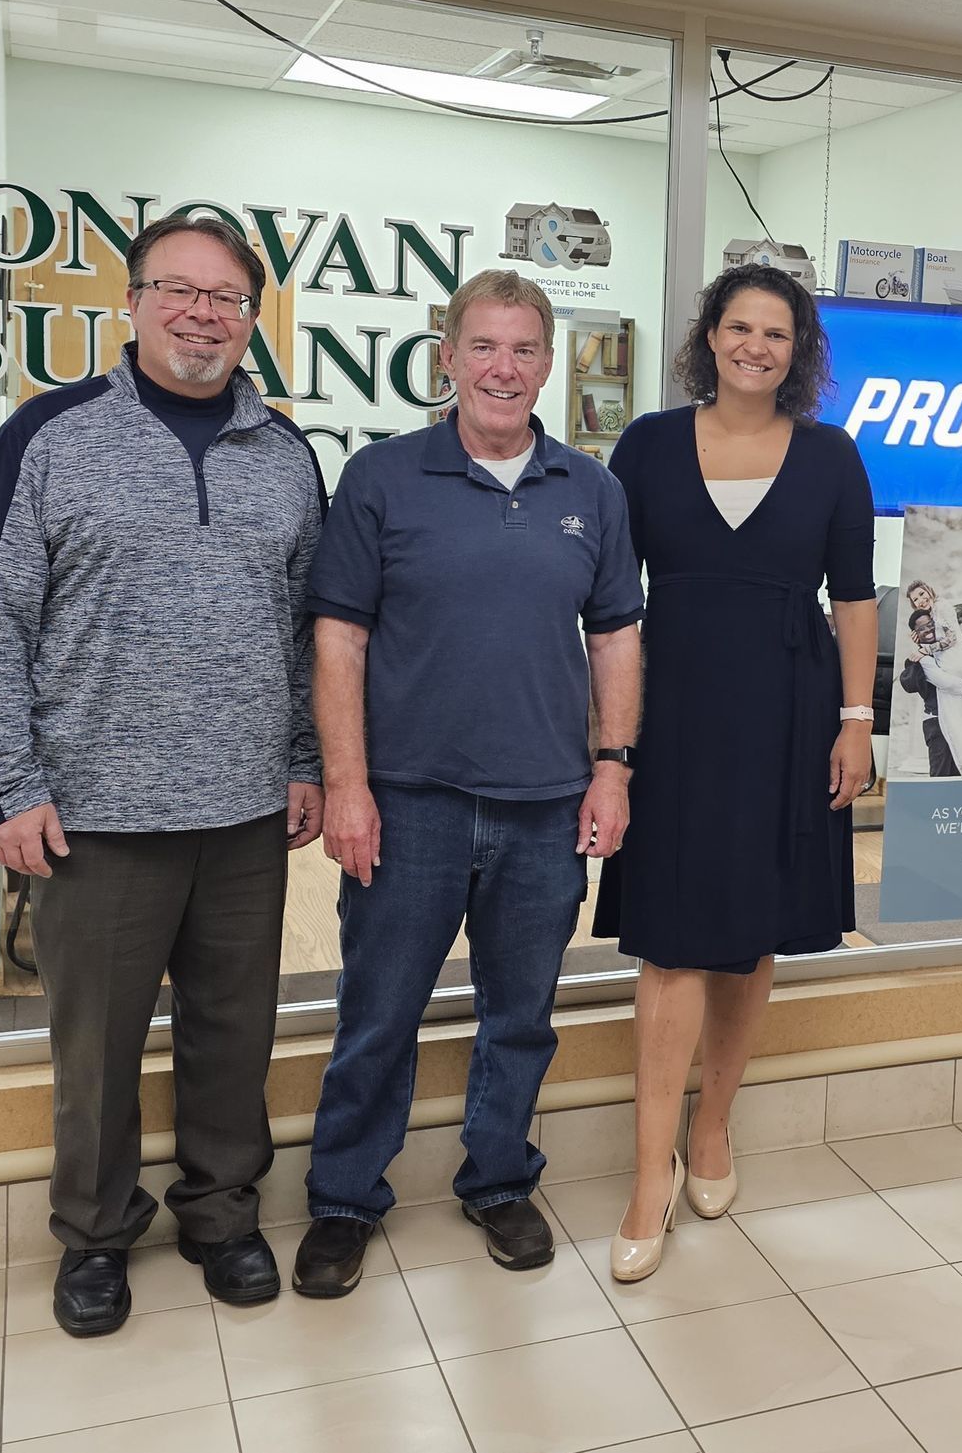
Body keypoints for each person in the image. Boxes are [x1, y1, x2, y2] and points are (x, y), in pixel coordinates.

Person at [0, 216, 325, 1335]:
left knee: (233, 1031)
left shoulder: (286, 454)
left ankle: (220, 1213)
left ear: (253, 318)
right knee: (96, 1045)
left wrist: (305, 760)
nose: (202, 313)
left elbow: (308, 631)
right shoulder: (51, 435)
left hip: (248, 811)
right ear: (132, 301)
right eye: (179, 290)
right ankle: (97, 1234)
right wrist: (2, 784)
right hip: (93, 814)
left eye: (227, 297)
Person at [293, 270, 644, 1294]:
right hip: (409, 800)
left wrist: (612, 769)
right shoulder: (384, 478)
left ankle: (498, 1178)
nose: (503, 367)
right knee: (379, 1010)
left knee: (521, 1010)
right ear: (447, 358)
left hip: (544, 803)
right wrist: (346, 784)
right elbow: (338, 639)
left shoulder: (592, 489)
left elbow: (618, 635)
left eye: (524, 349)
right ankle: (345, 1196)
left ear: (548, 364)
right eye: (483, 347)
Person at [592, 264, 876, 1281]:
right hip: (672, 713)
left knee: (750, 933)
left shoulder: (833, 457)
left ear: (798, 353)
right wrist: (605, 734)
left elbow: (854, 598)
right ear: (708, 336)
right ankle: (645, 1174)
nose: (757, 345)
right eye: (740, 327)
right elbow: (608, 595)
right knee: (668, 940)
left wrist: (857, 719)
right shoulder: (649, 444)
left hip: (790, 715)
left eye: (778, 333)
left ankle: (712, 1130)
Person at [904, 578, 962, 771]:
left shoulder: (941, 607)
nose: (920, 599)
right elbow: (941, 680)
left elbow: (951, 638)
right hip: (944, 706)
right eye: (915, 599)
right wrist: (921, 646)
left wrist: (925, 649)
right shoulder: (925, 654)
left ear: (929, 590)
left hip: (960, 685)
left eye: (921, 594)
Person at [900, 608, 962, 776]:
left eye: (930, 625)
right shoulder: (922, 659)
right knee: (941, 774)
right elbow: (946, 682)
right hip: (937, 722)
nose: (928, 630)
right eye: (921, 628)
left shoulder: (946, 652)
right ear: (915, 634)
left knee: (957, 772)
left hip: (954, 719)